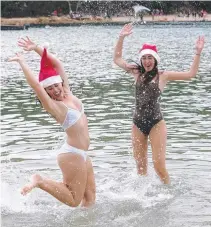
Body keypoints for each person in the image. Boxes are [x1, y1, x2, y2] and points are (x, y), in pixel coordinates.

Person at [8, 37, 96, 207]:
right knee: (73, 200)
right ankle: (40, 180)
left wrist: (36, 48)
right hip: (72, 155)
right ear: (46, 91)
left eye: (56, 85)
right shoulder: (56, 107)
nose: (55, 90)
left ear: (60, 82)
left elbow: (57, 64)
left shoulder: (68, 91)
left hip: (83, 154)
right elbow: (36, 86)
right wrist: (22, 62)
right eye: (50, 88)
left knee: (90, 197)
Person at [113, 23, 205, 184]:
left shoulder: (163, 76)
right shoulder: (136, 72)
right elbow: (117, 59)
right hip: (137, 124)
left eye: (150, 58)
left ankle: (168, 193)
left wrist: (197, 53)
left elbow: (191, 74)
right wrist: (121, 38)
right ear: (141, 59)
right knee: (140, 168)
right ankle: (143, 197)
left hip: (156, 123)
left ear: (155, 60)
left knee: (159, 166)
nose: (147, 61)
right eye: (144, 58)